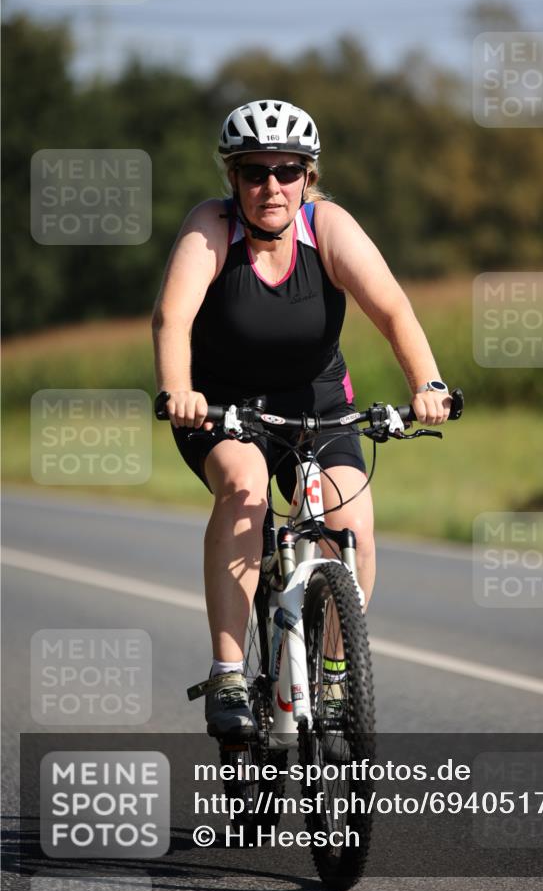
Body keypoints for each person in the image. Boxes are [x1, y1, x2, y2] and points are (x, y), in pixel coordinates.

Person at [152, 99, 452, 738]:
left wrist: (426, 384)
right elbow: (172, 318)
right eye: (254, 171)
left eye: (287, 171)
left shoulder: (327, 227)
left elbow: (393, 310)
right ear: (232, 177)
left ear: (308, 177)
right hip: (222, 404)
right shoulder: (211, 227)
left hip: (317, 402)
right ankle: (228, 673)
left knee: (352, 524)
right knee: (245, 489)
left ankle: (337, 673)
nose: (272, 186)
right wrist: (178, 390)